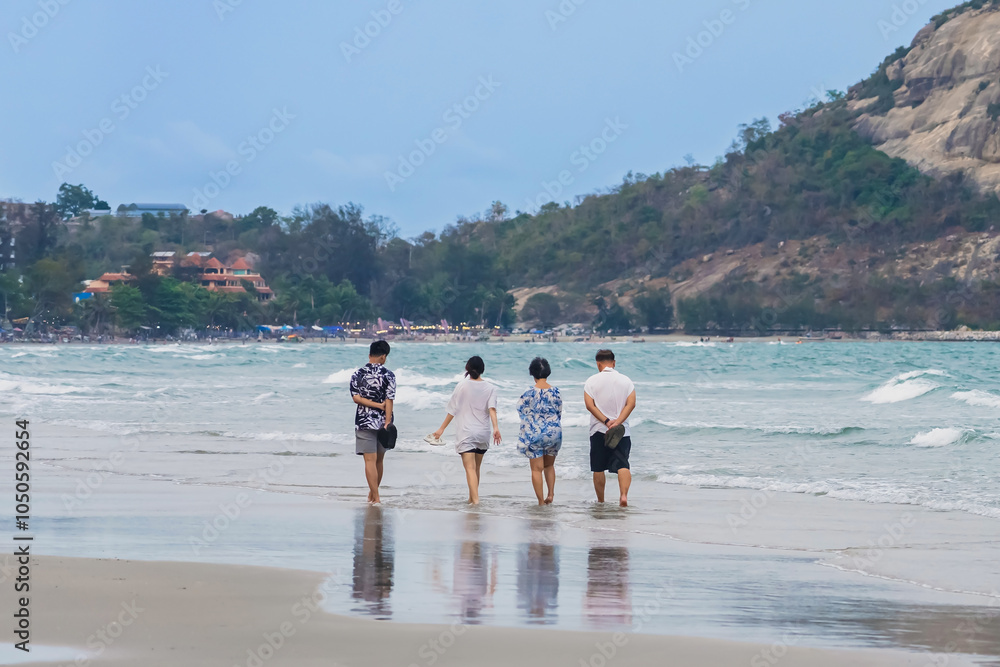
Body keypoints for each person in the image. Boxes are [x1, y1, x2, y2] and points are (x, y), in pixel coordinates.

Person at [431, 356, 501, 505]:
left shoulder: (462, 386)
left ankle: (475, 501)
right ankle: (471, 498)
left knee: (469, 468)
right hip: (483, 433)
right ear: (483, 369)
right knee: (476, 469)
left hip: (467, 432)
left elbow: (452, 410)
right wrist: (496, 428)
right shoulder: (491, 388)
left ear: (467, 369)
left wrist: (441, 429)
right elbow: (492, 410)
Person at [583, 349, 637, 507]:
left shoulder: (591, 381)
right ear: (614, 363)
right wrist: (618, 422)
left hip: (598, 430)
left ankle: (600, 501)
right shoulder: (626, 380)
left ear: (598, 364)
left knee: (598, 468)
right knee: (623, 464)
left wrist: (607, 422)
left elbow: (589, 405)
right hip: (622, 431)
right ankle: (624, 496)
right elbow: (631, 403)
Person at [349, 340, 396, 504]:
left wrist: (374, 405)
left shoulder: (357, 374)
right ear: (383, 357)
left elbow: (356, 399)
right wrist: (387, 421)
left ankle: (374, 496)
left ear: (370, 355)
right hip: (383, 422)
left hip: (363, 421)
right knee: (379, 460)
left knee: (369, 461)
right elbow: (389, 400)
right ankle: (374, 495)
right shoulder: (389, 375)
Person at [516, 357, 562, 505]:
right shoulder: (556, 391)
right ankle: (551, 495)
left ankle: (541, 502)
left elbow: (520, 409)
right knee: (549, 465)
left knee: (536, 470)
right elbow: (559, 411)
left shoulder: (528, 392)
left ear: (532, 373)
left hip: (534, 432)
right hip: (554, 432)